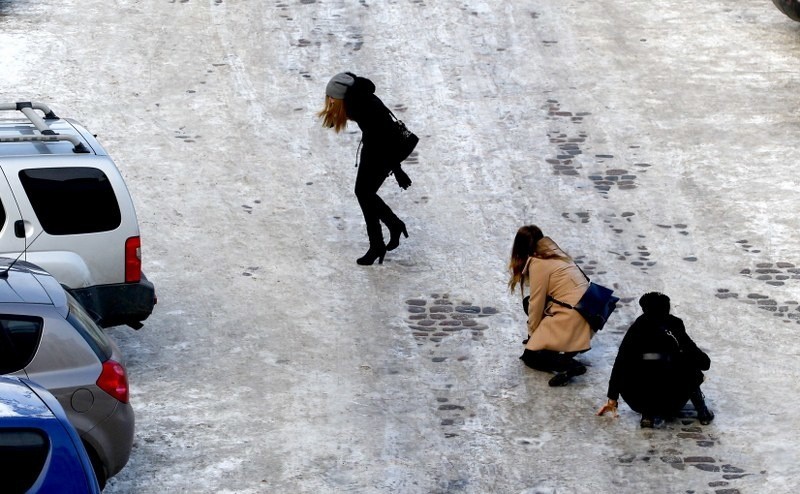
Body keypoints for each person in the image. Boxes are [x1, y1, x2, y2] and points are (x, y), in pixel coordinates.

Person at [318, 72, 413, 266]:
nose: (329, 102)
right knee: (365, 194)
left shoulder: (363, 107)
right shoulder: (359, 97)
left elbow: (384, 138)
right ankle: (387, 233)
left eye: (331, 99)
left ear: (340, 97)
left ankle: (385, 236)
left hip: (382, 150)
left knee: (364, 193)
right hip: (376, 148)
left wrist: (397, 170)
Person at [597, 292, 714, 428]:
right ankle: (703, 412)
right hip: (671, 401)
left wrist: (612, 399)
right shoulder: (674, 324)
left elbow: (620, 363)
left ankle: (647, 417)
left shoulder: (637, 328)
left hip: (639, 400)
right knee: (689, 366)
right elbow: (699, 358)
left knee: (638, 366)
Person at [508, 225, 594, 387]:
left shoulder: (539, 263)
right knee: (528, 303)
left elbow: (536, 304)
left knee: (530, 357)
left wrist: (532, 336)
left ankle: (569, 366)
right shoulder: (556, 252)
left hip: (572, 317)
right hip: (587, 317)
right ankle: (562, 349)